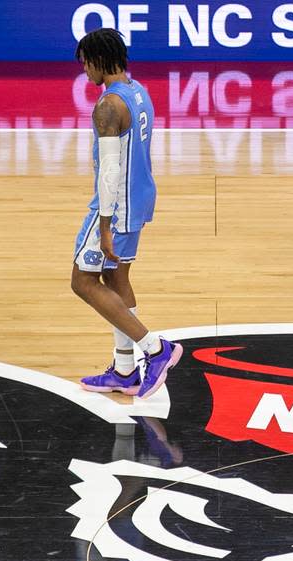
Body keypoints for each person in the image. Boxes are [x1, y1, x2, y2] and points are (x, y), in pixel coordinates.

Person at [70, 28, 182, 398]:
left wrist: (103, 226)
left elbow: (110, 172)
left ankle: (155, 349)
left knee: (83, 282)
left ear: (101, 59)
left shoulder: (107, 106)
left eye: (86, 61)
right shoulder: (138, 92)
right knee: (116, 281)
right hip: (139, 200)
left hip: (115, 208)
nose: (84, 69)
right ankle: (123, 369)